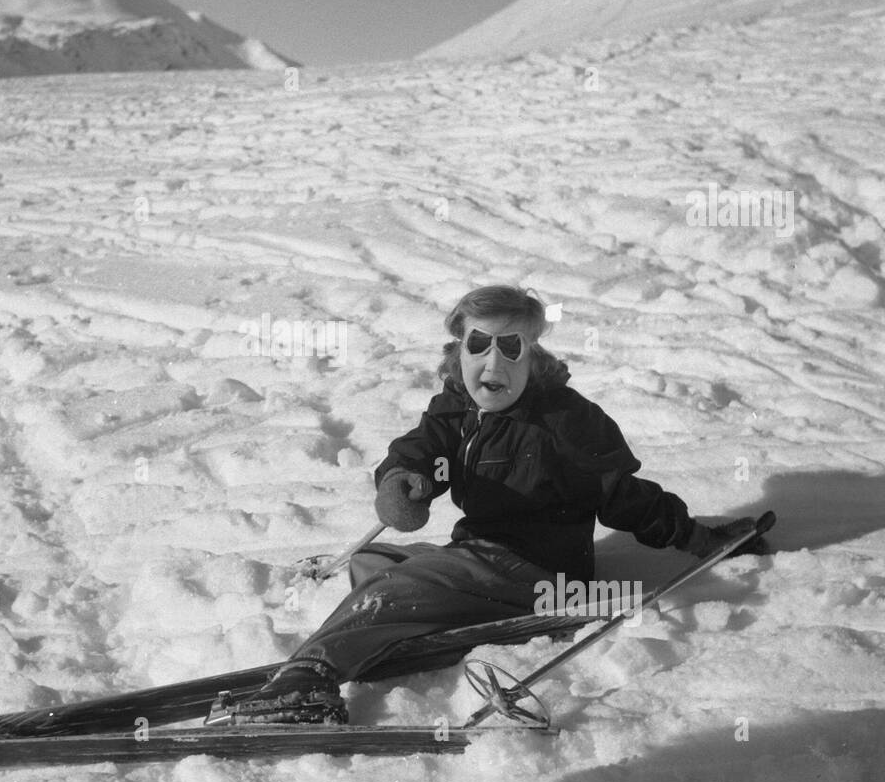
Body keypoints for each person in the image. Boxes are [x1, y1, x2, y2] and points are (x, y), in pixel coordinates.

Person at [235, 284, 766, 724]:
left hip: (540, 572)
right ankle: (405, 637)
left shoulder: (566, 423)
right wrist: (404, 479)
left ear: (532, 354)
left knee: (393, 589)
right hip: (484, 557)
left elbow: (624, 497)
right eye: (480, 344)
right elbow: (427, 447)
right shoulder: (458, 405)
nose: (495, 361)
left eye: (511, 347)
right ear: (459, 349)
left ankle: (310, 681)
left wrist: (700, 537)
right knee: (372, 565)